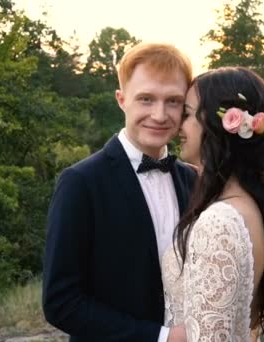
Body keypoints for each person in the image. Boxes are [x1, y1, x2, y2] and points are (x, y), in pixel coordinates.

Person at [42, 43, 196, 341]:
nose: (160, 114)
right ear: (122, 99)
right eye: (146, 99)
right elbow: (60, 302)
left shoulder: (193, 180)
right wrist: (160, 338)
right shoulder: (80, 183)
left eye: (173, 101)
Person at [163, 67, 264, 341]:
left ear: (217, 125)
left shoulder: (220, 222)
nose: (178, 126)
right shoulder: (251, 206)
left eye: (188, 114)